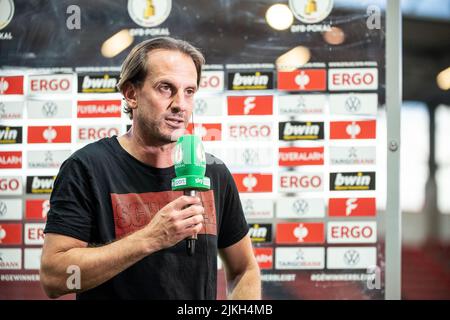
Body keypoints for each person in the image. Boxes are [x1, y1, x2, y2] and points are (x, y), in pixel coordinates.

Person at [40, 37, 261, 300]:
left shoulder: (213, 172)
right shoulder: (86, 168)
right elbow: (54, 277)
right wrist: (150, 238)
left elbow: (244, 269)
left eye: (189, 91)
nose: (180, 104)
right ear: (131, 94)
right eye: (166, 88)